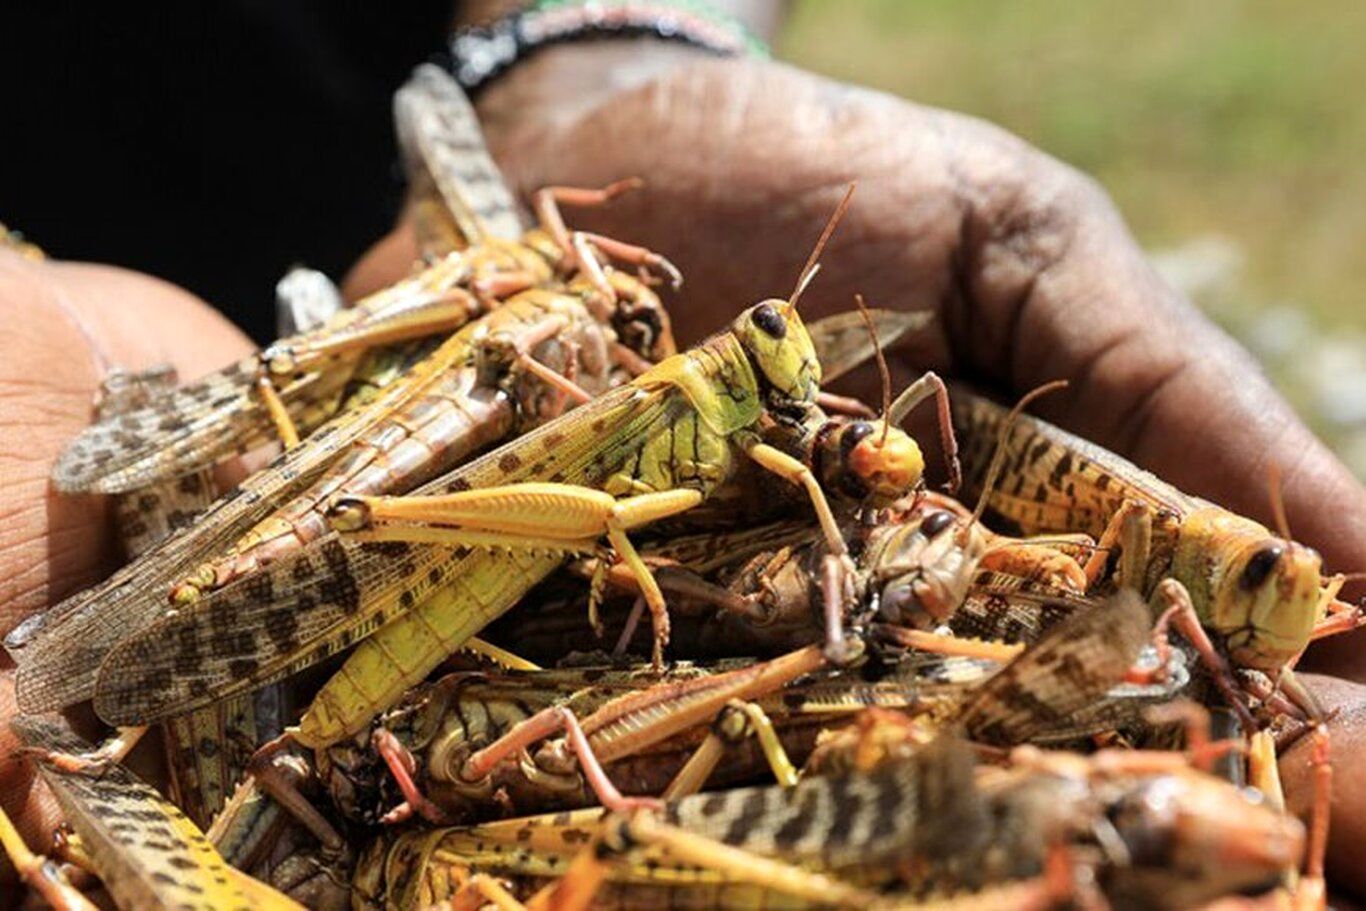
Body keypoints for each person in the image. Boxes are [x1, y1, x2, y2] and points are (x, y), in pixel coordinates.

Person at [3, 2, 1366, 899]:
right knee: (447, 525)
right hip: (355, 482)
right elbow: (611, 509)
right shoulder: (669, 396)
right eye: (780, 338)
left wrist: (599, 38)